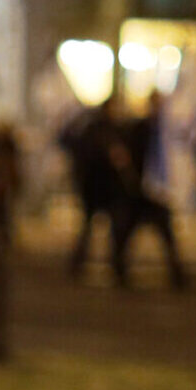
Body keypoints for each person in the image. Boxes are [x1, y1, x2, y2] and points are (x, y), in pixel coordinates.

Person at [111, 90, 186, 290]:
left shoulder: (165, 131)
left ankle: (177, 275)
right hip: (139, 190)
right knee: (126, 233)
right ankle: (119, 270)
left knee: (167, 235)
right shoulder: (140, 128)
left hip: (158, 191)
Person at [58, 101, 126, 283]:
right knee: (102, 228)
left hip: (96, 188)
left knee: (97, 228)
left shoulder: (94, 129)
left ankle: (106, 265)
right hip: (99, 188)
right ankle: (115, 266)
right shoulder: (102, 132)